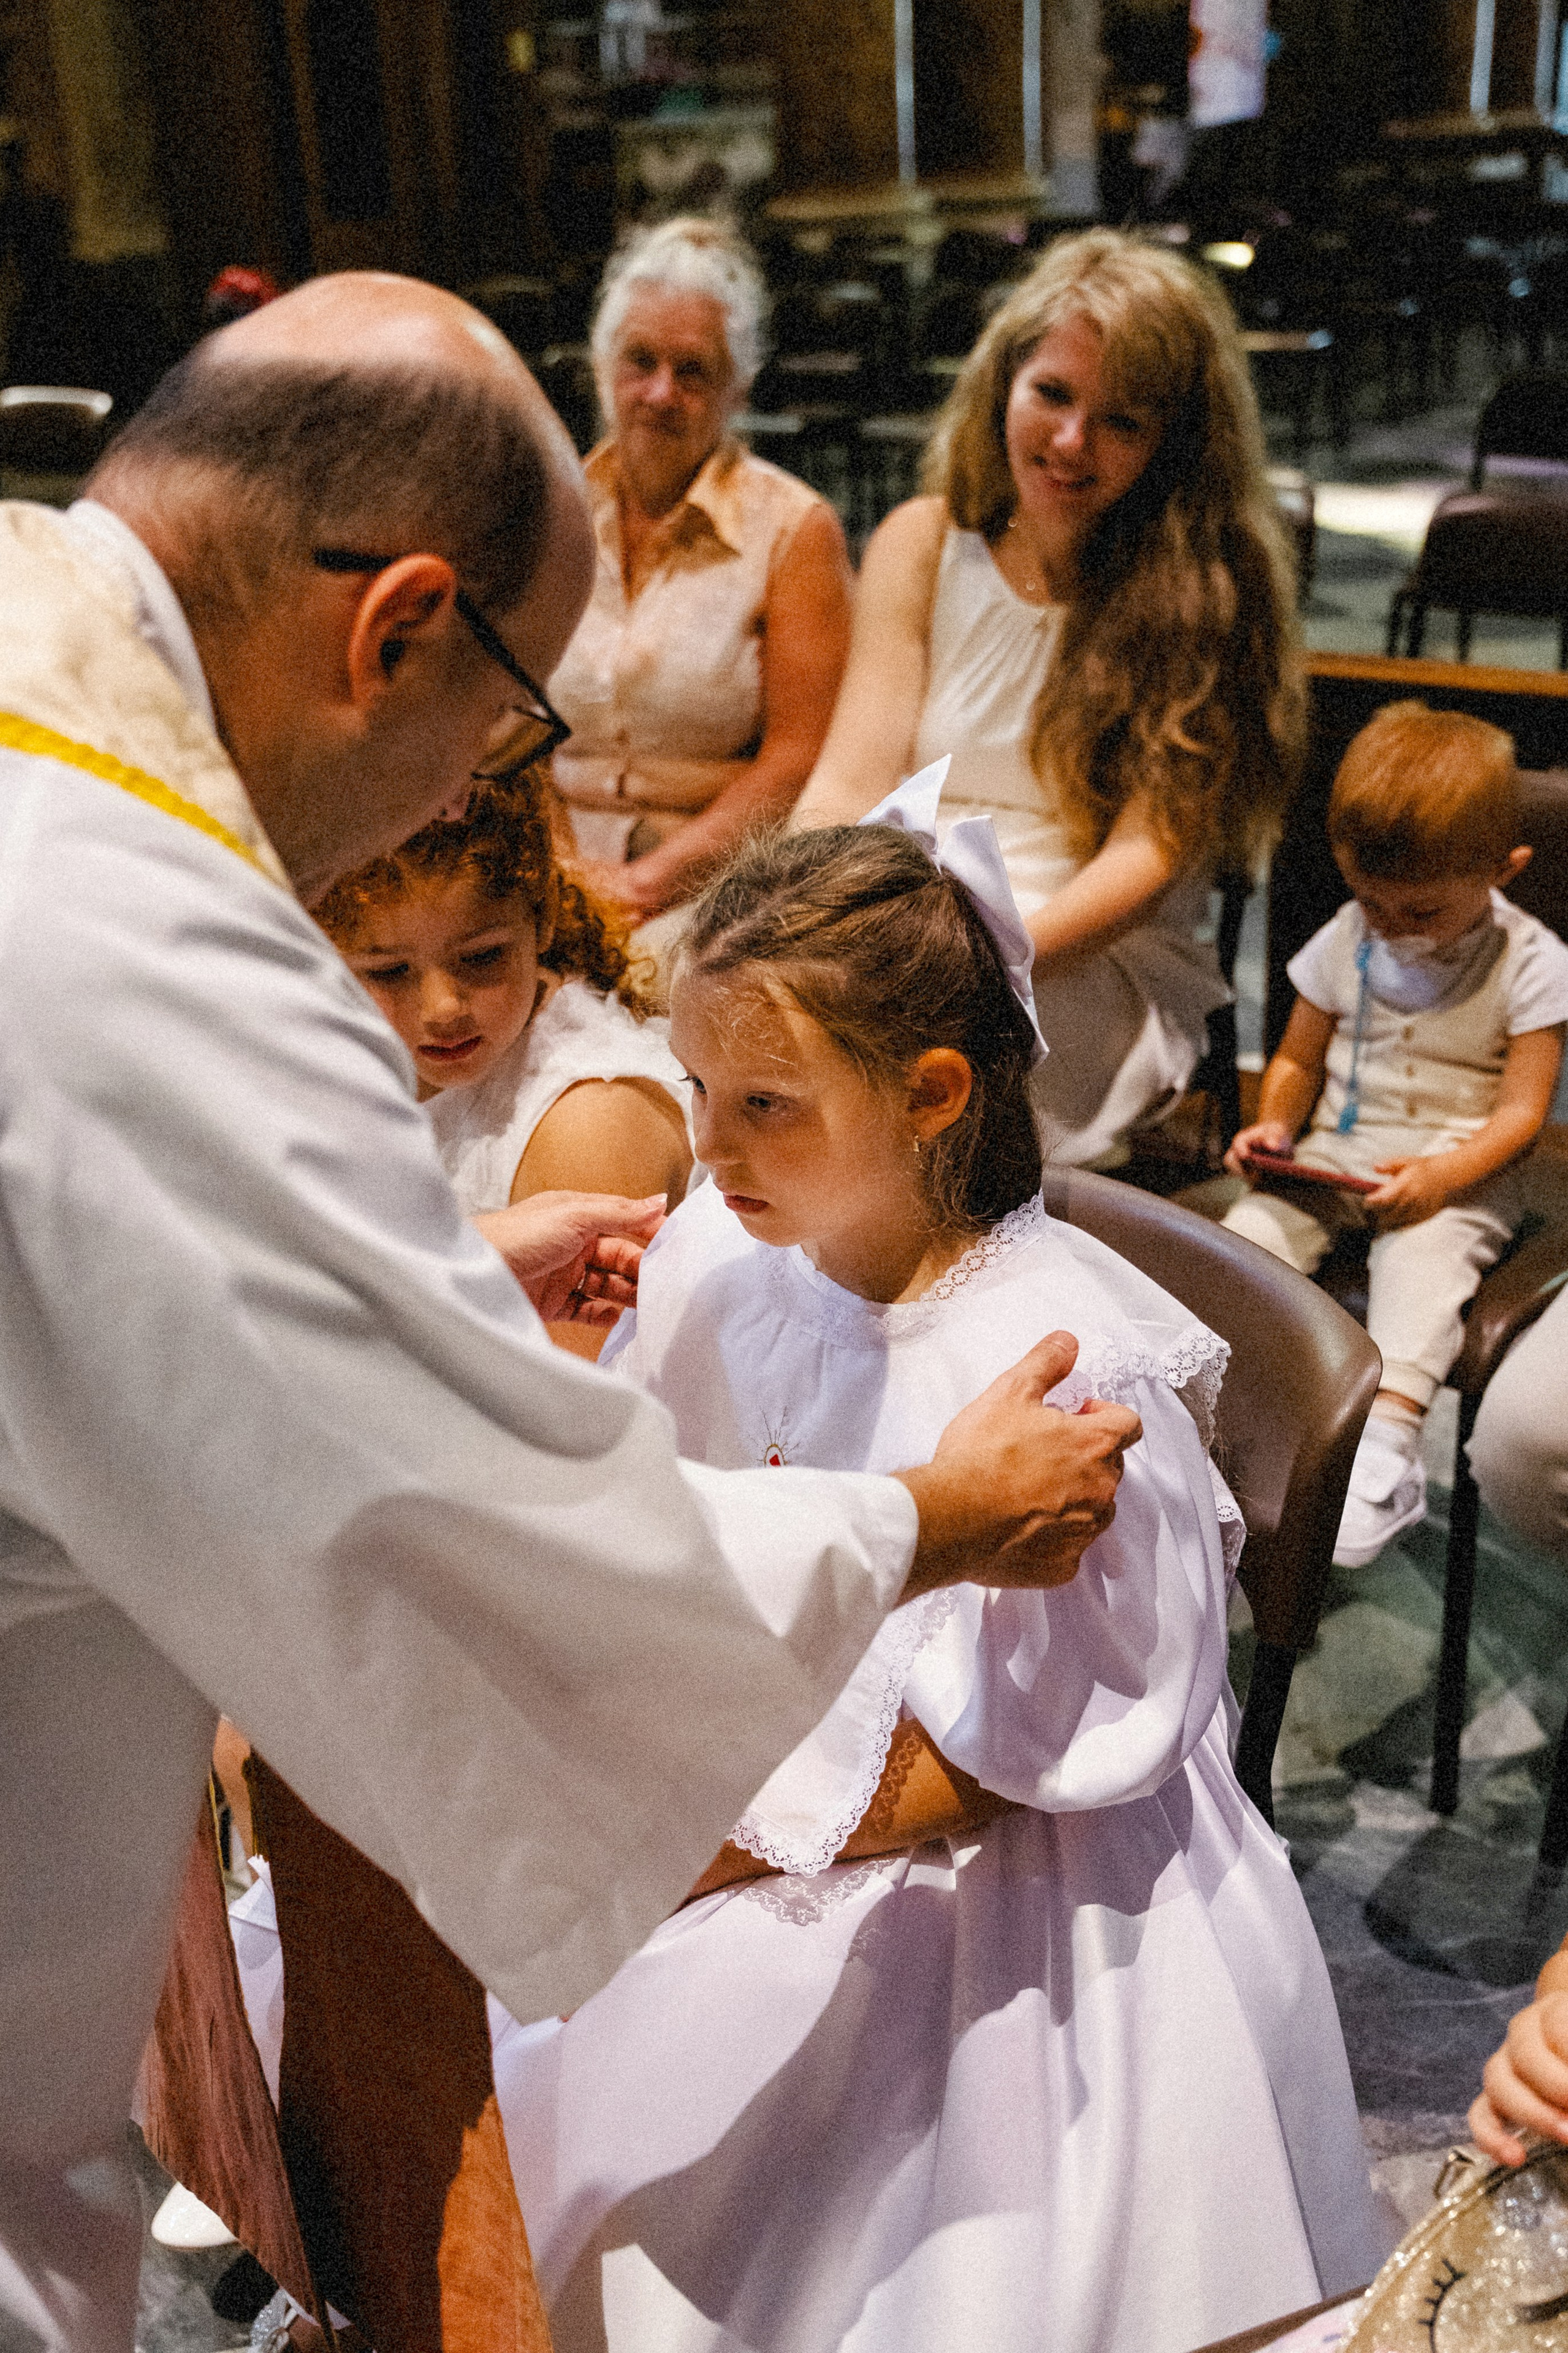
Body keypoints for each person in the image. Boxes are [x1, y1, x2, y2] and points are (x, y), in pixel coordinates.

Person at [0, 276, 1142, 2350]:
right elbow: (483, 1551)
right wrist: (927, 1516)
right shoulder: (156, 945)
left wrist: (417, 1286)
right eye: (509, 724)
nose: (483, 782)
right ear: (399, 629)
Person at [479, 774, 1384, 2353]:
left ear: (933, 1092)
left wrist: (668, 1847)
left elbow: (1015, 1758)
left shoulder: (1064, 1380)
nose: (709, 1145)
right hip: (743, 1761)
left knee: (681, 2177)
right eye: (697, 1088)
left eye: (767, 1104)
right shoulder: (727, 1248)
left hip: (987, 1878)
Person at [791, 226, 1303, 1168]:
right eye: (1053, 395)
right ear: (1004, 385)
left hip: (1082, 952)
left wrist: (984, 958)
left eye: (1122, 421)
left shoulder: (1204, 590)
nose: (1071, 443)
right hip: (907, 916)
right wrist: (795, 910)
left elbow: (1143, 860)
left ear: (1173, 444)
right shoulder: (919, 540)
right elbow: (846, 782)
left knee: (900, 1099)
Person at [1222, 703, 1568, 1568]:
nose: (1388, 926)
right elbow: (1296, 1058)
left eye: (1419, 910)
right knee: (1245, 1243)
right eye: (1369, 901)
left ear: (1503, 869)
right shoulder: (1351, 934)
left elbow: (1522, 1114)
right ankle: (1224, 1416)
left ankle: (1387, 1446)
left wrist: (1442, 1175)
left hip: (1458, 1167)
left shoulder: (1532, 962)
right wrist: (1274, 1123)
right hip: (1337, 1152)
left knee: (1421, 1268)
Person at [548, 216, 853, 958]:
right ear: (601, 367)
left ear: (736, 388)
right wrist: (559, 873)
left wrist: (640, 885)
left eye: (693, 372)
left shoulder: (793, 530)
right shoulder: (550, 514)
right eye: (640, 361)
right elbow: (503, 730)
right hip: (553, 857)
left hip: (714, 875)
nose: (660, 392)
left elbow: (798, 758)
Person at [316, 766, 693, 1353]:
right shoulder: (331, 1046)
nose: (443, 1008)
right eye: (389, 972)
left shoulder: (590, 1119)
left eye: (482, 957)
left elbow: (572, 1393)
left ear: (541, 919)